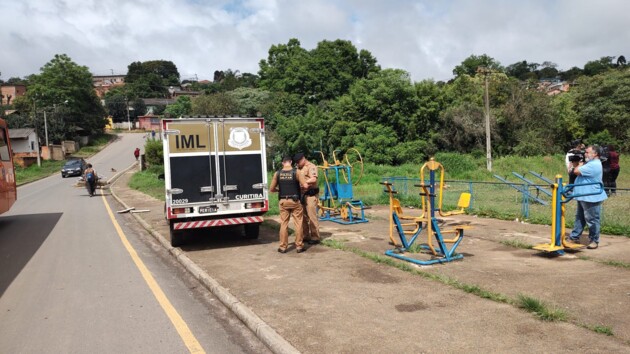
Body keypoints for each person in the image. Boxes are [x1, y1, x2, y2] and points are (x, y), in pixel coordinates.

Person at [567, 145, 608, 249]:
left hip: (590, 196)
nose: (584, 154)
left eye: (587, 152)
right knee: (580, 218)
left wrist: (578, 164)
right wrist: (578, 164)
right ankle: (574, 236)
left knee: (592, 219)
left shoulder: (594, 164)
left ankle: (594, 240)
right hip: (583, 195)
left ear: (595, 154)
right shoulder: (589, 163)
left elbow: (576, 171)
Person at [269, 156, 309, 253]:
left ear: (283, 163)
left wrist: (279, 190)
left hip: (283, 201)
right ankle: (299, 246)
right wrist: (302, 189)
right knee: (298, 223)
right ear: (290, 162)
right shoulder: (297, 172)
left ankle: (283, 247)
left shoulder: (277, 173)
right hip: (295, 201)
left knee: (284, 224)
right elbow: (306, 185)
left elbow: (271, 189)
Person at [294, 152, 321, 245]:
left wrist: (304, 183)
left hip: (310, 195)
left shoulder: (311, 166)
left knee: (312, 215)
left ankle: (315, 236)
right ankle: (305, 235)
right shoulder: (298, 168)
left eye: (298, 161)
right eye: (296, 162)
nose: (297, 163)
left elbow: (314, 179)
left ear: (303, 159)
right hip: (302, 195)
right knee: (303, 217)